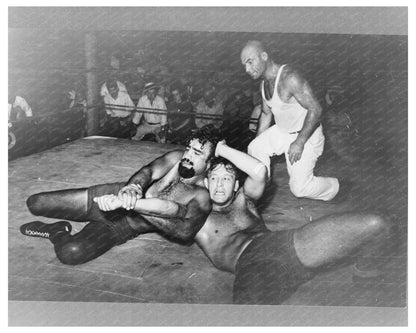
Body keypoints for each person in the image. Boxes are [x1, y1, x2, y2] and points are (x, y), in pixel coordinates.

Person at [195, 140, 394, 304]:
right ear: (205, 182)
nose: (219, 185)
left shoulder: (244, 198)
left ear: (236, 184)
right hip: (250, 265)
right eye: (214, 179)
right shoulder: (194, 209)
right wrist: (196, 154)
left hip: (287, 244)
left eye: (226, 179)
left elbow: (258, 171)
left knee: (379, 224)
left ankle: (365, 273)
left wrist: (220, 148)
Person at [19, 127, 222, 265]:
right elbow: (149, 171)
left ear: (210, 163)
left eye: (197, 154)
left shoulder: (201, 196)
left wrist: (135, 205)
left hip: (124, 225)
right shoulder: (177, 158)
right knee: (35, 203)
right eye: (189, 149)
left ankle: (57, 232)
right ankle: (75, 215)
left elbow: (185, 232)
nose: (188, 156)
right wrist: (132, 188)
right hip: (109, 195)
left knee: (70, 252)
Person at [241, 40, 341, 201]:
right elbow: (266, 115)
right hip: (282, 131)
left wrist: (299, 142)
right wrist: (256, 149)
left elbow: (316, 109)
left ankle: (337, 187)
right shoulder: (263, 84)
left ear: (264, 56)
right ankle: (261, 188)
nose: (247, 69)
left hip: (306, 134)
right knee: (255, 147)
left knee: (299, 189)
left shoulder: (290, 77)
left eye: (250, 62)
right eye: (244, 65)